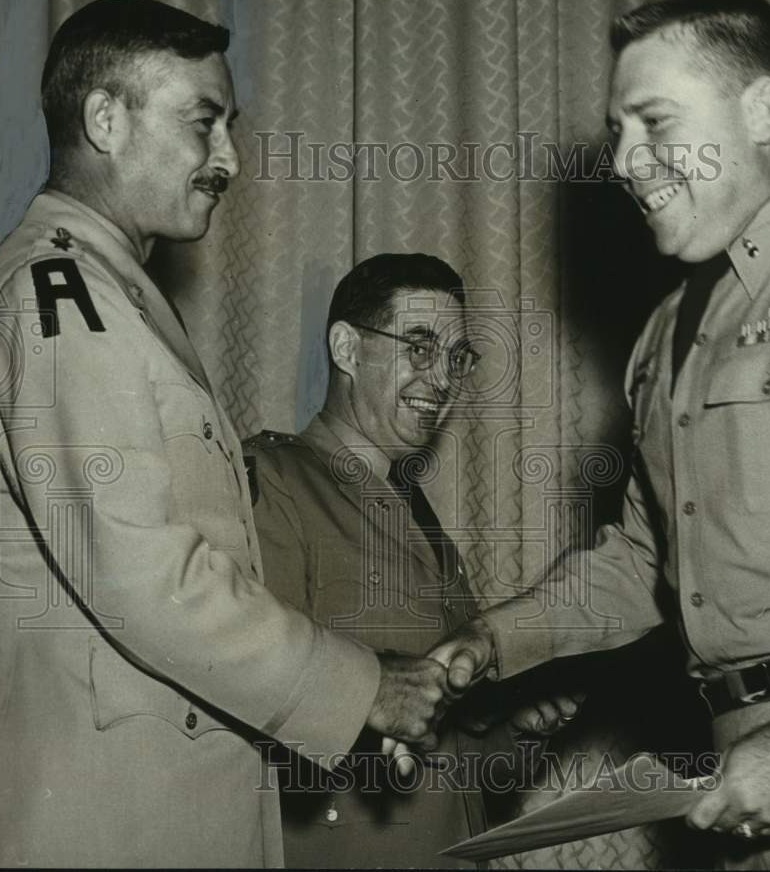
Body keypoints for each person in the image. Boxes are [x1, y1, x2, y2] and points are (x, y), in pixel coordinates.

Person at [426, 0, 770, 870]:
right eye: (617, 133)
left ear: (760, 110)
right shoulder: (667, 331)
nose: (624, 161)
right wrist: (496, 641)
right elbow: (644, 564)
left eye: (654, 123)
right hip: (739, 779)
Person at [0, 0, 450, 868]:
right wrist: (363, 691)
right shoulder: (63, 298)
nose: (228, 158)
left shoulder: (111, 295)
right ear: (106, 120)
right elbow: (142, 575)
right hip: (109, 819)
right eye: (204, 123)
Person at [244, 253, 582, 868]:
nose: (443, 380)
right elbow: (250, 691)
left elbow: (448, 759)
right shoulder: (277, 480)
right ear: (347, 350)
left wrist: (515, 728)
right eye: (419, 349)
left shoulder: (417, 511)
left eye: (457, 358)